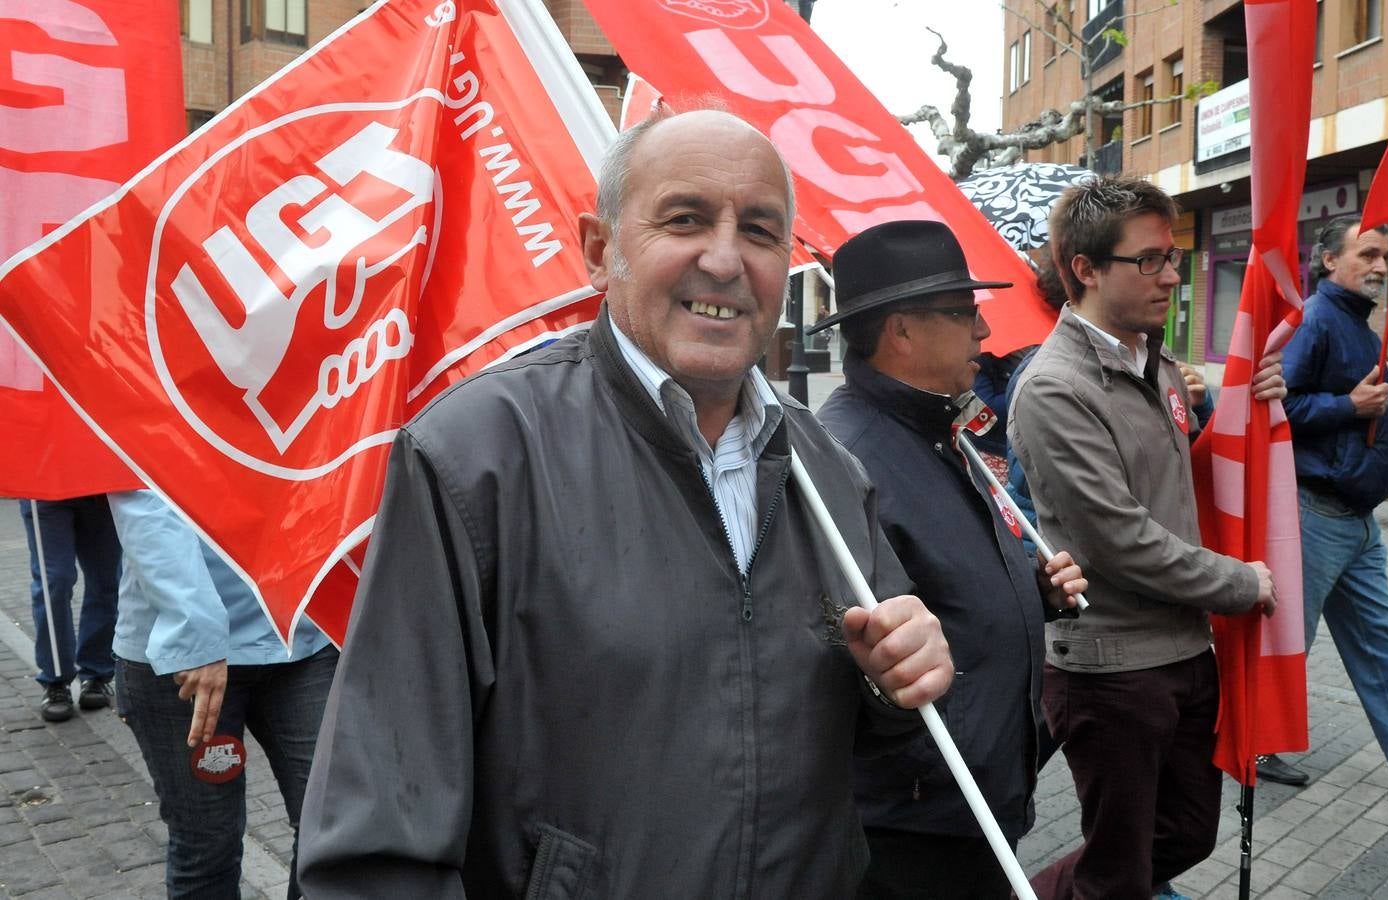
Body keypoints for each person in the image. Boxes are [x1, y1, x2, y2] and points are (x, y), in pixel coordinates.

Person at [296, 108, 954, 898]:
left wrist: (893, 682)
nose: (723, 259)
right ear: (599, 251)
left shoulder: (829, 470)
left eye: (759, 230)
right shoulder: (477, 457)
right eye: (685, 219)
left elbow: (862, 751)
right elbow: (379, 835)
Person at [1009, 177, 1281, 900]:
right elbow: (1119, 541)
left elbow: (1179, 483)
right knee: (1118, 871)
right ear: (1085, 269)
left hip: (1187, 650)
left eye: (1174, 259)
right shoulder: (1055, 388)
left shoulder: (1154, 362)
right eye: (1150, 260)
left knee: (1188, 833)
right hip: (1113, 669)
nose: (1170, 277)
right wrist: (1241, 583)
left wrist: (1245, 404)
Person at [812, 220, 1087, 900]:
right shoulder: (847, 457)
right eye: (965, 314)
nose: (984, 334)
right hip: (919, 824)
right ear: (901, 331)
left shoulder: (937, 429)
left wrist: (1032, 590)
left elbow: (944, 585)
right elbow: (847, 648)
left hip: (973, 796)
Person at [1256, 216, 1388, 796]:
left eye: (1386, 257)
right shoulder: (1315, 321)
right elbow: (1275, 410)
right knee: (1289, 638)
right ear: (1327, 261)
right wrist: (1348, 406)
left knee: (1383, 639)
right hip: (1314, 515)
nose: (1381, 267)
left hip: (1357, 522)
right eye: (1367, 254)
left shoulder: (1364, 328)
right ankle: (1256, 746)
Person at [108, 489, 338, 899]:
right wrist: (197, 634)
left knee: (335, 828)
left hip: (300, 636)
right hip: (182, 657)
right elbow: (142, 498)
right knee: (208, 847)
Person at [17, 496, 121, 722]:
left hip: (101, 488)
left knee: (105, 582)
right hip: (42, 488)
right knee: (53, 582)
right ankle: (55, 680)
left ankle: (96, 673)